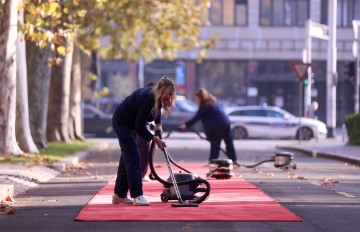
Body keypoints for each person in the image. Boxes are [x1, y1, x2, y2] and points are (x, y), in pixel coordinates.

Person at [112, 76, 176, 206]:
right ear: (161, 90)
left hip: (131, 123)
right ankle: (137, 195)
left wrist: (158, 124)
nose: (169, 97)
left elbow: (156, 111)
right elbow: (139, 126)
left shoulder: (156, 95)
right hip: (123, 122)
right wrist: (155, 139)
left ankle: (119, 195)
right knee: (134, 158)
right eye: (167, 93)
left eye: (171, 94)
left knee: (127, 159)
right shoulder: (147, 98)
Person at [178, 88, 240, 167]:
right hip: (226, 123)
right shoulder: (214, 101)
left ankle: (213, 162)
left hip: (217, 126)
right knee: (229, 143)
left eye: (197, 98)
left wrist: (186, 125)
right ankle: (234, 161)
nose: (196, 100)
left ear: (201, 98)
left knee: (215, 145)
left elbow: (197, 117)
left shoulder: (204, 105)